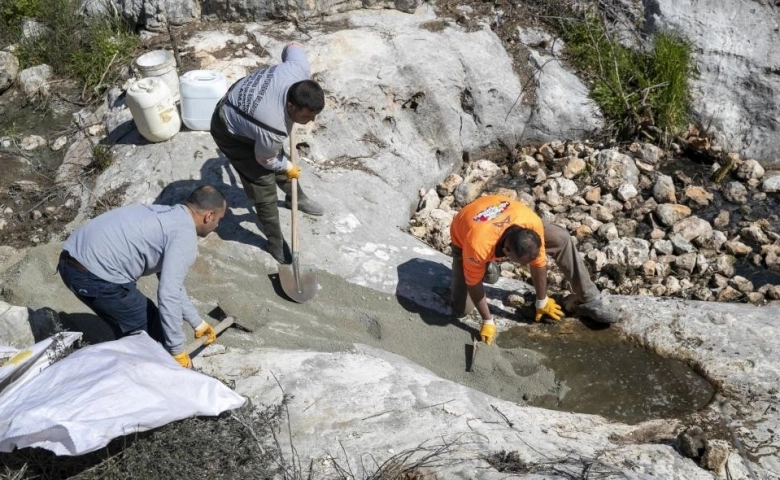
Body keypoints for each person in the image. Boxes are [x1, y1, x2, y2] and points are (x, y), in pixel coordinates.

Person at [57, 185, 227, 368]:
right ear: (208, 216)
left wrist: (197, 322)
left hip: (70, 260)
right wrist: (176, 351)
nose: (217, 225)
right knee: (149, 336)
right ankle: (146, 375)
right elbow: (168, 294)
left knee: (139, 320)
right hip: (93, 276)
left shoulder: (167, 214)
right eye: (219, 219)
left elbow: (171, 283)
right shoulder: (184, 236)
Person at [449, 194, 618, 345]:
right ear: (506, 252)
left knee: (561, 238)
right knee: (461, 310)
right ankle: (483, 265)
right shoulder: (478, 245)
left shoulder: (531, 224)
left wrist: (541, 301)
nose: (525, 266)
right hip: (466, 233)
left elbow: (538, 262)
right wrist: (487, 320)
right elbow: (473, 283)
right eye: (522, 262)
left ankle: (589, 297)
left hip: (505, 211)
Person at [210, 41, 325, 264]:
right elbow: (266, 158)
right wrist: (287, 166)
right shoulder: (273, 127)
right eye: (306, 117)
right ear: (290, 106)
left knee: (284, 162)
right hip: (229, 129)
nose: (311, 121)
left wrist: (286, 165)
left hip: (249, 113)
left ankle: (297, 199)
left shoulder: (298, 68)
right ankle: (275, 242)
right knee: (263, 184)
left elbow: (292, 45)